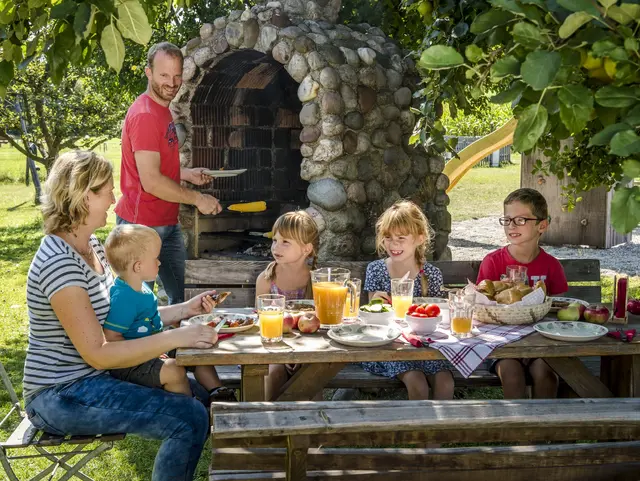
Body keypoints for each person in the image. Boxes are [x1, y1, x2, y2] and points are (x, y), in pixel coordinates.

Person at [23, 150, 219, 481]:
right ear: (84, 197)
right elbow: (98, 354)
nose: (115, 199)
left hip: (94, 378)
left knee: (203, 399)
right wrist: (174, 337)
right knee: (187, 417)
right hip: (61, 393)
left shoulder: (93, 247)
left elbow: (124, 317)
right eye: (108, 190)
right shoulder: (59, 262)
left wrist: (185, 310)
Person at [116, 41, 222, 305]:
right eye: (164, 75)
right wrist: (198, 199)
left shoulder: (161, 110)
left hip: (167, 222)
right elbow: (151, 181)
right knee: (135, 306)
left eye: (177, 75)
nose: (172, 83)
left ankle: (174, 347)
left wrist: (185, 174)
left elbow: (153, 166)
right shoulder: (145, 115)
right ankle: (140, 347)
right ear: (148, 73)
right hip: (141, 226)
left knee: (182, 298)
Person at [103, 224, 237, 402]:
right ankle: (190, 408)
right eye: (155, 258)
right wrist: (150, 349)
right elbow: (112, 337)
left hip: (152, 350)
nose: (159, 262)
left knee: (197, 343)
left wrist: (188, 308)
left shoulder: (139, 287)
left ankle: (218, 391)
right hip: (133, 363)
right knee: (173, 369)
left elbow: (148, 319)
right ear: (138, 266)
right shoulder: (124, 298)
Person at [477, 188, 568, 399]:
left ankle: (542, 428)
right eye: (507, 220)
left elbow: (560, 308)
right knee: (512, 376)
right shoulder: (493, 262)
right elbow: (482, 306)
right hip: (501, 344)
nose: (511, 226)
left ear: (542, 225)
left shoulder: (551, 266)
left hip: (540, 341)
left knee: (546, 375)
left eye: (520, 220)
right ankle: (516, 429)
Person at [363, 200, 454, 400]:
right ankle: (417, 431)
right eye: (388, 237)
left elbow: (437, 319)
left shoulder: (431, 274)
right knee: (417, 382)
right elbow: (371, 318)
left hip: (424, 347)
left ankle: (441, 430)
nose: (393, 244)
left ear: (420, 238)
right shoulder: (376, 269)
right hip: (389, 348)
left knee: (445, 381)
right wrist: (374, 303)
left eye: (401, 238)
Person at [255, 211, 319, 400]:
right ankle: (271, 423)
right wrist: (285, 356)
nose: (276, 247)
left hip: (310, 347)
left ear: (306, 249)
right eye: (275, 240)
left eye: (285, 242)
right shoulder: (267, 280)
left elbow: (319, 325)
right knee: (274, 371)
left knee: (312, 374)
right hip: (274, 347)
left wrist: (300, 355)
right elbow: (262, 323)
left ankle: (313, 426)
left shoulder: (315, 281)